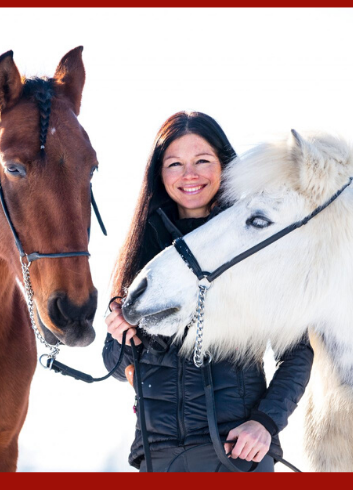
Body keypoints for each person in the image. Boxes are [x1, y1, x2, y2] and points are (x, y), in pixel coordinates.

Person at [102, 111, 314, 472]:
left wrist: (265, 423)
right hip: (159, 458)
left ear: (224, 165)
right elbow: (115, 363)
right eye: (174, 164)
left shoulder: (257, 248)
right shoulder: (145, 252)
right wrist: (124, 339)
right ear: (159, 173)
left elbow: (296, 354)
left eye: (202, 160)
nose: (190, 174)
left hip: (235, 456)